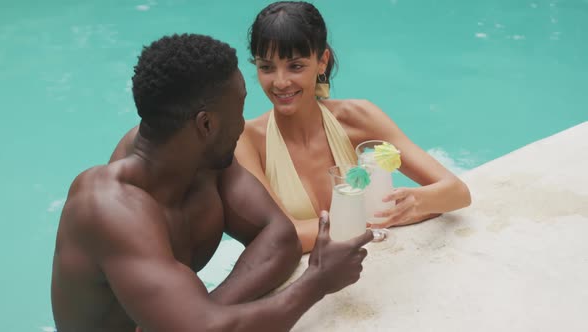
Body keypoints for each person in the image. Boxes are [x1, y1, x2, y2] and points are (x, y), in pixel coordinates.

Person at [51, 33, 372, 332]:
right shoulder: (108, 208)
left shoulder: (201, 157)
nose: (243, 123)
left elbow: (279, 236)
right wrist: (316, 282)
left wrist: (205, 310)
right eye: (239, 109)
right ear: (206, 124)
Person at [235, 1, 472, 253]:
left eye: (295, 66)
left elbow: (457, 192)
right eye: (266, 67)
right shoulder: (248, 141)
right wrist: (367, 219)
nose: (280, 82)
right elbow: (282, 237)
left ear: (322, 61)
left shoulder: (358, 117)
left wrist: (411, 203)